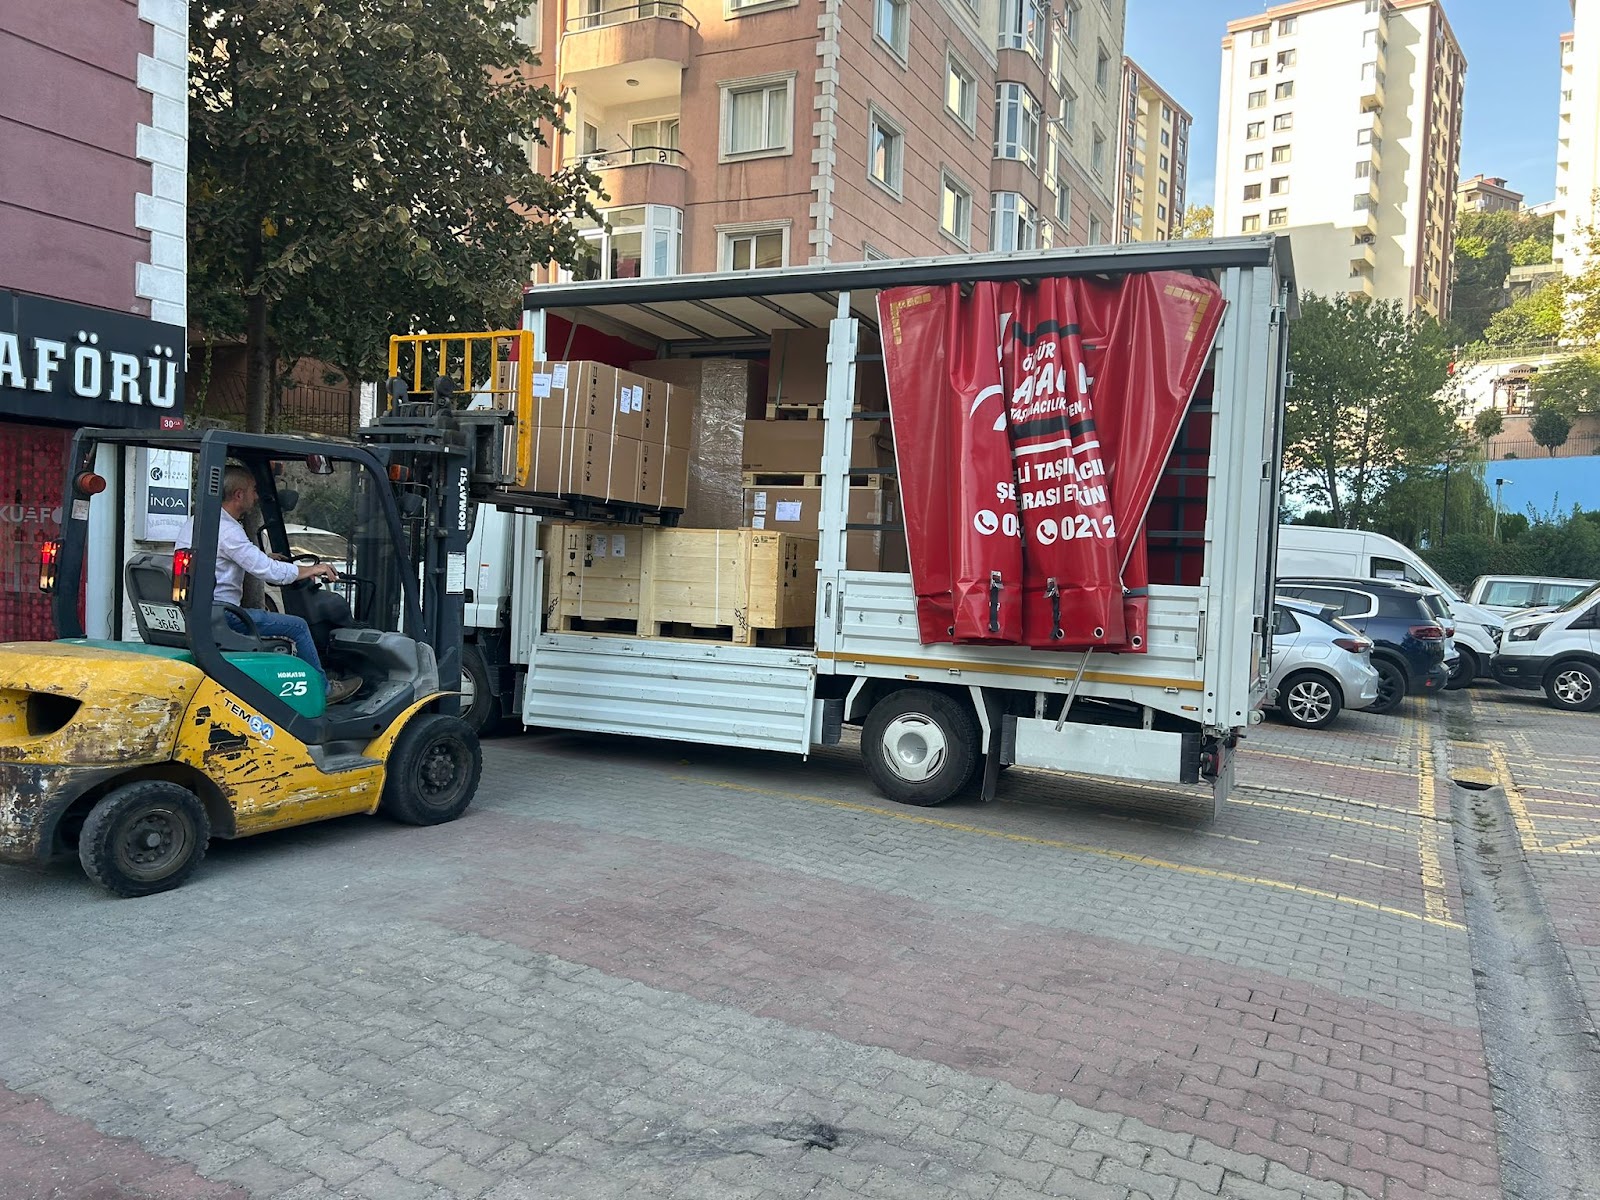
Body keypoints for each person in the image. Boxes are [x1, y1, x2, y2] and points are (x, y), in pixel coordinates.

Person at [177, 465, 362, 705]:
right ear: (239, 495)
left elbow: (228, 557)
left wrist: (265, 557)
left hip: (205, 613)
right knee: (298, 626)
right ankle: (324, 690)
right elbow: (269, 572)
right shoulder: (228, 530)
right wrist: (311, 570)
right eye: (253, 490)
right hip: (225, 616)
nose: (256, 496)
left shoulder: (199, 522)